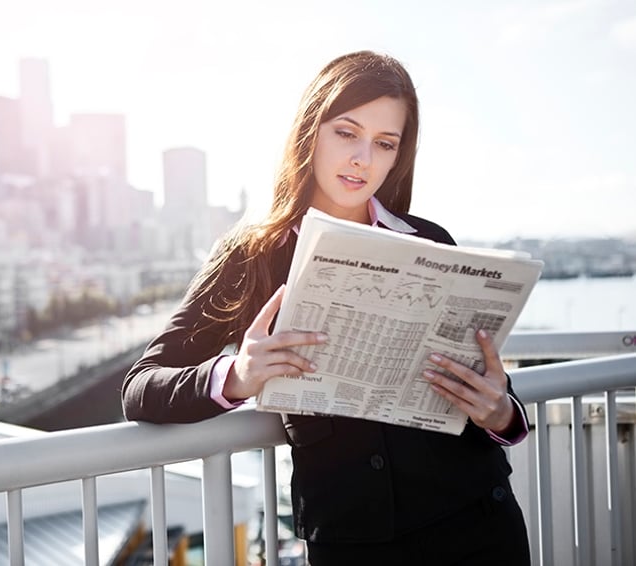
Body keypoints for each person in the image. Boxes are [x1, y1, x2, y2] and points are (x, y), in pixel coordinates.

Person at [122, 50, 531, 565]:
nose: (364, 157)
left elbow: (498, 400)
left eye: (385, 143)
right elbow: (140, 387)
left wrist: (498, 409)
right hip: (353, 543)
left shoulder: (430, 241)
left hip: (478, 526)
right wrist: (238, 375)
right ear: (310, 131)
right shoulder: (251, 256)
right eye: (346, 132)